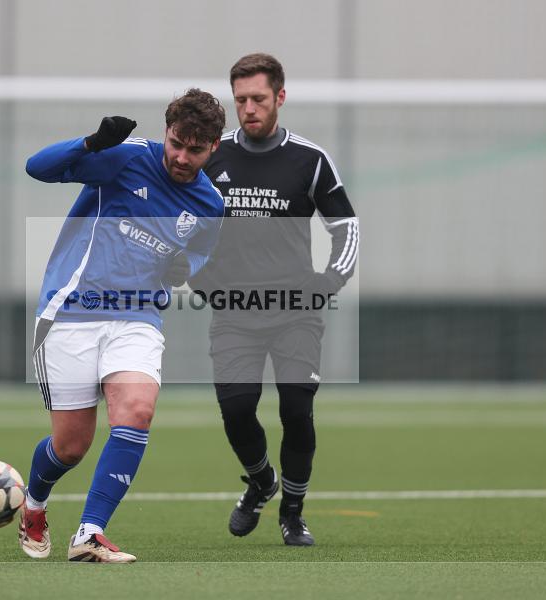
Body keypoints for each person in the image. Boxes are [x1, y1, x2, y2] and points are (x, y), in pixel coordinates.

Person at [20, 89, 226, 562]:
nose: (181, 156)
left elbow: (197, 254)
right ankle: (34, 504)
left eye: (195, 150)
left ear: (213, 148)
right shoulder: (126, 158)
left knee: (137, 410)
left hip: (137, 317)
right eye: (177, 143)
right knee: (71, 446)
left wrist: (184, 267)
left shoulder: (210, 203)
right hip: (71, 310)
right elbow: (37, 167)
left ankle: (89, 533)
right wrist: (92, 143)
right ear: (167, 131)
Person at [189, 54, 358, 546]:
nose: (248, 109)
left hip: (296, 313)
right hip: (234, 314)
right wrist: (199, 278)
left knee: (296, 408)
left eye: (258, 99)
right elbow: (183, 224)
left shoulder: (309, 159)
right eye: (240, 100)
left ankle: (292, 511)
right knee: (237, 410)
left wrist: (329, 281)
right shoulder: (212, 155)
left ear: (280, 97)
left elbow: (345, 226)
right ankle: (261, 481)